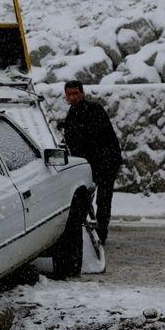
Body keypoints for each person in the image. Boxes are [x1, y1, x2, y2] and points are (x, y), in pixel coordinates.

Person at [59, 80, 122, 245]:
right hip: (91, 164)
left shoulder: (94, 109)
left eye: (75, 93)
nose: (72, 97)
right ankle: (90, 231)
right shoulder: (72, 114)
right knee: (85, 198)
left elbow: (94, 135)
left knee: (103, 199)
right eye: (69, 94)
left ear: (82, 93)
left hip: (106, 160)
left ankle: (101, 234)